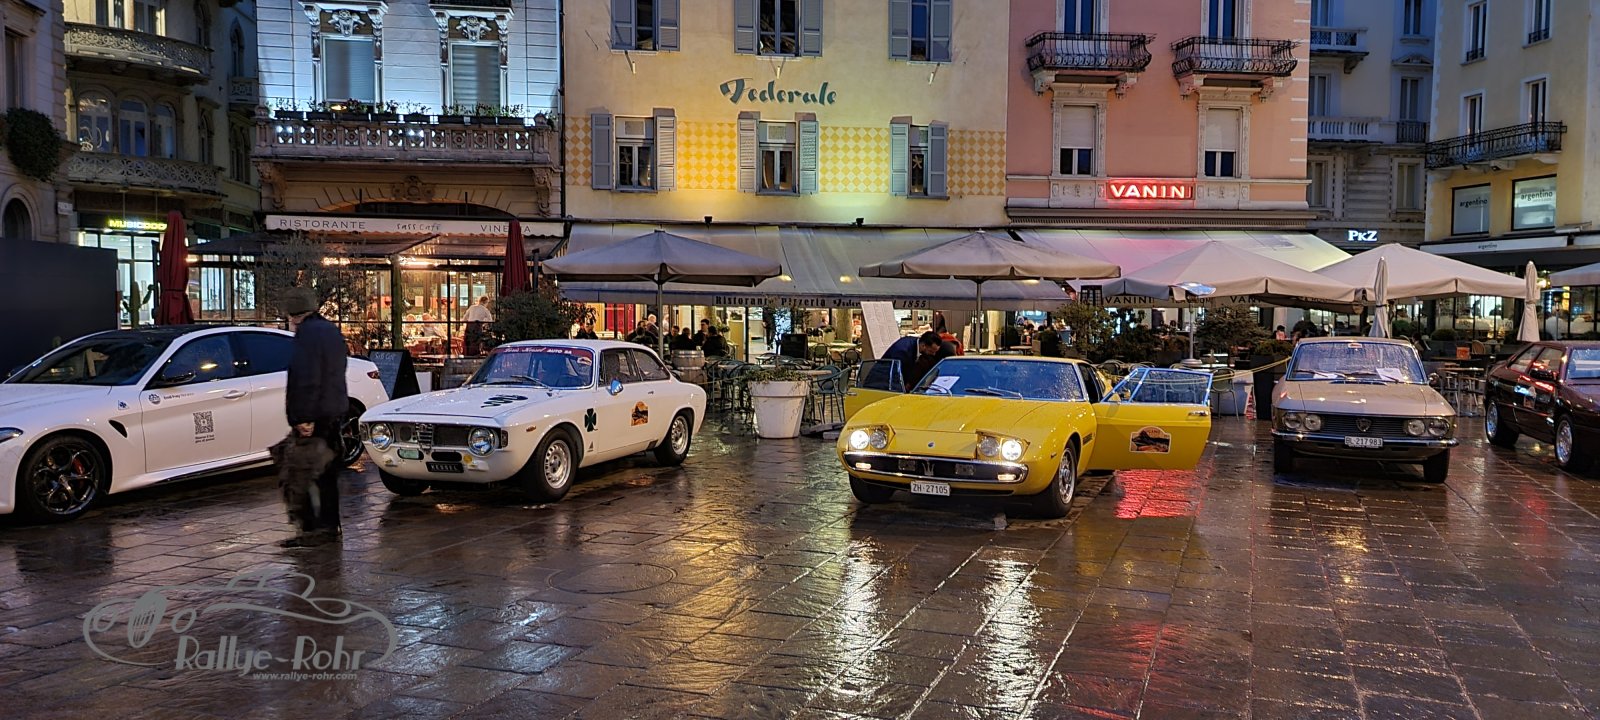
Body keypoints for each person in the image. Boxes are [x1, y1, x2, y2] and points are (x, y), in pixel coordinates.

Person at [281, 287, 348, 547]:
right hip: (332, 410)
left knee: (305, 471)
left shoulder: (306, 336)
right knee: (326, 472)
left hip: (315, 413)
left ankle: (313, 529)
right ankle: (330, 525)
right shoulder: (330, 330)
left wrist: (303, 417)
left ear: (293, 314)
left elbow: (305, 379)